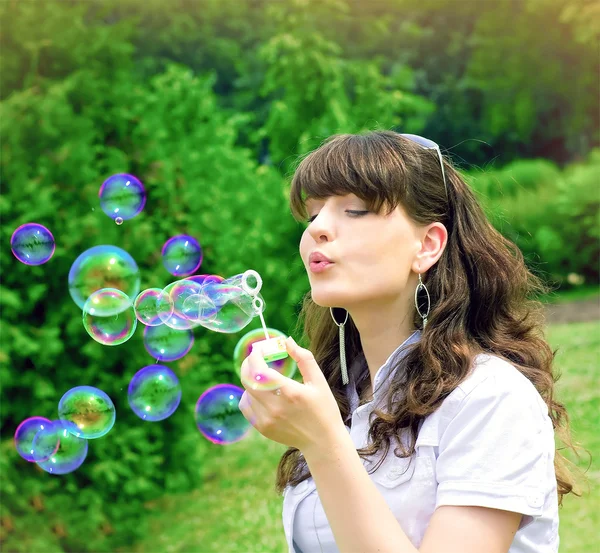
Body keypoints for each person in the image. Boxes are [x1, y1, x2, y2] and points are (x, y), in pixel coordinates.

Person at [238, 130, 581, 553]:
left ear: (427, 245)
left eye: (356, 210)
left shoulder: (490, 398)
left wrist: (323, 444)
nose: (319, 229)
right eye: (312, 215)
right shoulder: (341, 393)